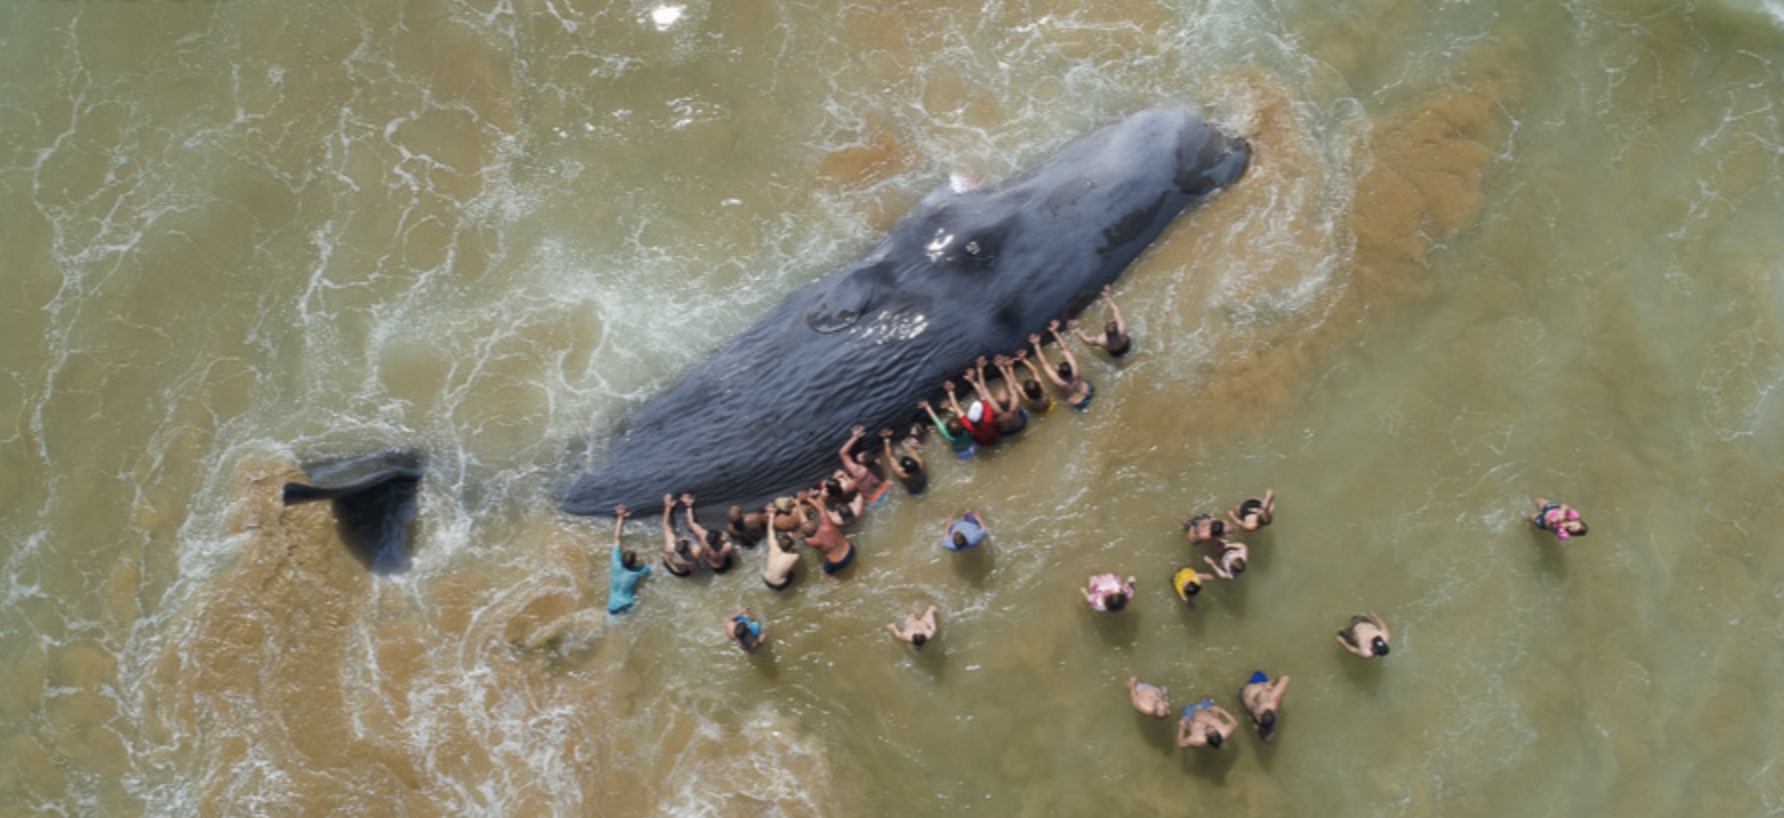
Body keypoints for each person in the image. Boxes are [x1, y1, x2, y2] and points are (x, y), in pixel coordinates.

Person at [1028, 324, 1093, 410]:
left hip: (1077, 403)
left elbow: (1045, 364)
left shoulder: (1060, 382)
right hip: (1088, 391)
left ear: (1059, 374)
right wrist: (1055, 332)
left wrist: (1036, 344)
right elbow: (1065, 349)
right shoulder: (1075, 370)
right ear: (1070, 369)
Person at [797, 490, 857, 574]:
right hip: (851, 549)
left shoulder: (810, 541)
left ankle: (831, 580)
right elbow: (821, 508)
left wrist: (797, 504)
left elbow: (803, 522)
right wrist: (807, 498)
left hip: (839, 562)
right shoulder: (828, 525)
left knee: (825, 570)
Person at [606, 505, 651, 615]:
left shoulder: (616, 563)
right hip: (629, 605)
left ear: (621, 559)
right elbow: (653, 566)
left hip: (613, 608)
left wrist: (620, 517)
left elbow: (616, 539)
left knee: (611, 630)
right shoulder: (638, 571)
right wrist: (649, 543)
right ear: (634, 563)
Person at [968, 356, 1027, 436]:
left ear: (996, 401)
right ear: (1010, 399)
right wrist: (1001, 368)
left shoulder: (995, 409)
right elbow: (1010, 385)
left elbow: (984, 389)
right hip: (1020, 426)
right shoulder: (1015, 403)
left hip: (1006, 432)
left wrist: (980, 369)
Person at [1070, 285, 1131, 357]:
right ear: (1117, 329)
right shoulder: (1122, 328)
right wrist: (1108, 297)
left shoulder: (1102, 340)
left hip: (1115, 353)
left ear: (1105, 332)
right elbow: (1116, 311)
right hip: (1126, 346)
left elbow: (1087, 341)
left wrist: (1077, 328)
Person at [682, 493, 737, 573]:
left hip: (710, 564)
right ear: (719, 538)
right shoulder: (727, 547)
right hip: (722, 564)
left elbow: (691, 523)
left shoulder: (703, 537)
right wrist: (726, 538)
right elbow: (734, 557)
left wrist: (688, 506)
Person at [839, 426, 891, 508]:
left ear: (861, 461)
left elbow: (842, 453)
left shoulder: (857, 470)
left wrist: (855, 437)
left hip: (873, 500)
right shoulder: (877, 462)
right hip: (886, 489)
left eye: (861, 455)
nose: (859, 454)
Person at [944, 379, 1000, 449]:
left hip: (982, 444)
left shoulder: (969, 426)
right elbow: (982, 396)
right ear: (982, 412)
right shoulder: (988, 417)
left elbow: (958, 409)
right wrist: (972, 380)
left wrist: (950, 392)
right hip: (996, 438)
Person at [1239, 671, 1290, 743]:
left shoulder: (1273, 699)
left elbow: (1285, 678)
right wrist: (1270, 683)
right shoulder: (1273, 700)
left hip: (1245, 692)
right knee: (1268, 738)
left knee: (1258, 672)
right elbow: (1286, 678)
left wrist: (1271, 683)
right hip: (1247, 693)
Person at [660, 494, 702, 577]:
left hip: (672, 567)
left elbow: (665, 525)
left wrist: (667, 507)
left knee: (670, 531)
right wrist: (689, 506)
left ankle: (670, 508)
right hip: (683, 572)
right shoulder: (692, 557)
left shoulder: (670, 547)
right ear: (687, 550)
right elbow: (696, 569)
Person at [881, 428, 927, 496]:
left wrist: (886, 439)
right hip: (924, 483)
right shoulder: (920, 463)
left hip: (913, 492)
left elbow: (890, 457)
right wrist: (902, 440)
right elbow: (911, 450)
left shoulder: (902, 474)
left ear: (903, 469)